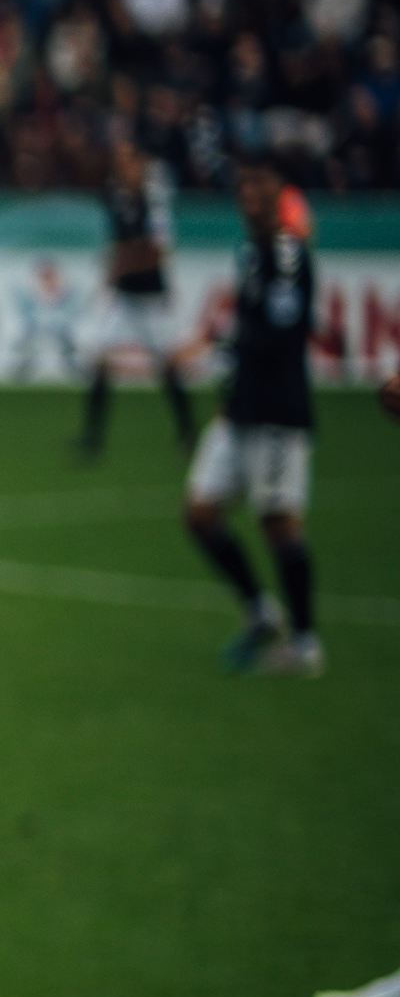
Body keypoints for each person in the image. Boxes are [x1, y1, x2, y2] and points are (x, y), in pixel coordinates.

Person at [188, 162, 325, 678]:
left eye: (260, 184)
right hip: (239, 409)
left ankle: (306, 644)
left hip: (276, 413)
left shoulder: (289, 255)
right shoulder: (249, 255)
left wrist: (217, 343)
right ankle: (262, 612)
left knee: (278, 522)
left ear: (279, 194)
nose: (249, 194)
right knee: (200, 514)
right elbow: (253, 329)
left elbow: (284, 336)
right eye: (244, 185)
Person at [74, 133, 196, 460]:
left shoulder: (153, 201)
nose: (123, 167)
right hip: (125, 297)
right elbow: (121, 243)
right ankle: (92, 436)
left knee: (168, 365)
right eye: (120, 161)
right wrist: (116, 268)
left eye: (129, 161)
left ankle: (187, 433)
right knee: (99, 359)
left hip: (151, 297)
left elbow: (157, 252)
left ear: (141, 165)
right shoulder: (117, 196)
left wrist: (121, 264)